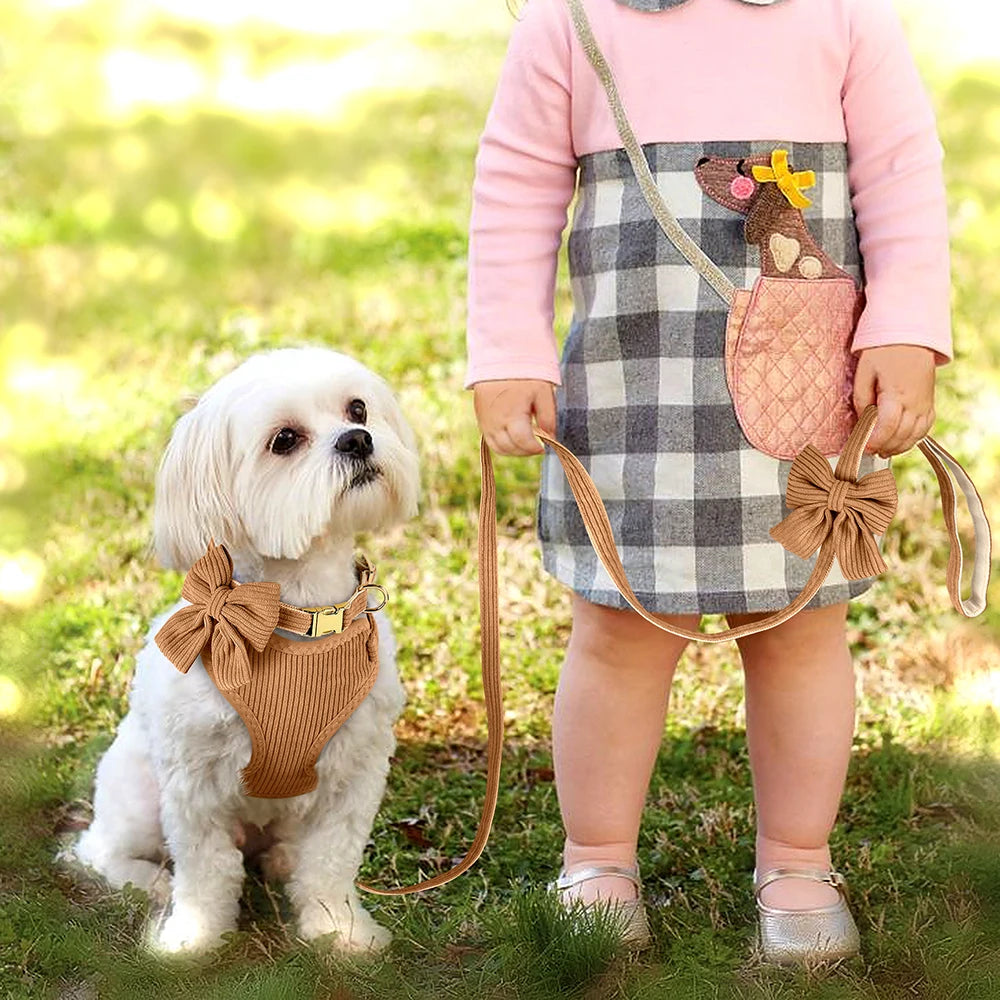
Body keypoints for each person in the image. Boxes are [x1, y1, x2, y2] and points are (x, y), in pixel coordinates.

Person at [465, 0, 949, 961]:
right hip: (632, 384)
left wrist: (904, 327)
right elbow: (514, 186)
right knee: (619, 629)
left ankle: (798, 860)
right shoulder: (571, 20)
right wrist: (509, 348)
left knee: (804, 631)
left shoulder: (847, 15)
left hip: (803, 393)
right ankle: (597, 857)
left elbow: (902, 173)